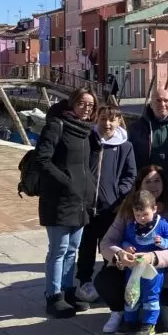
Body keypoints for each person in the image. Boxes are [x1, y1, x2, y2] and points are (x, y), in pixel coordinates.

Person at [35, 89, 98, 318]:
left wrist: (88, 186)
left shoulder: (85, 131)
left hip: (80, 200)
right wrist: (66, 181)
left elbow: (88, 164)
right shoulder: (56, 125)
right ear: (72, 103)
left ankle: (69, 292)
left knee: (73, 249)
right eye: (82, 103)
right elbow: (42, 159)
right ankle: (53, 296)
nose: (87, 108)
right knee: (59, 250)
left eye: (91, 105)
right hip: (59, 199)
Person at [97, 165, 168, 333]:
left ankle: (147, 314)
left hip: (160, 275)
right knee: (104, 279)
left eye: (157, 181)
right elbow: (107, 242)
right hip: (130, 269)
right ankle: (119, 311)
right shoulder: (129, 209)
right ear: (140, 185)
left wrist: (153, 257)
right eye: (147, 181)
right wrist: (120, 254)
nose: (153, 185)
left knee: (165, 322)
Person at [75, 105, 137, 304]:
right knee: (85, 246)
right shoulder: (88, 141)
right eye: (103, 119)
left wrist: (118, 195)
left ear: (119, 121)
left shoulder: (125, 146)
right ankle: (84, 281)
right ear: (97, 120)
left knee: (107, 246)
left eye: (112, 119)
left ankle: (103, 280)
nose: (107, 123)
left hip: (111, 208)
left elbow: (130, 175)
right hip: (86, 206)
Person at [119, 189, 168, 335]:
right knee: (131, 292)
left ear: (154, 209)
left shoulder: (163, 224)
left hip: (152, 270)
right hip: (134, 268)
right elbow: (125, 239)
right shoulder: (131, 226)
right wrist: (126, 247)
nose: (142, 218)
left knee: (151, 295)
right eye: (138, 215)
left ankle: (149, 324)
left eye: (145, 214)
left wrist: (162, 242)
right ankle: (130, 321)